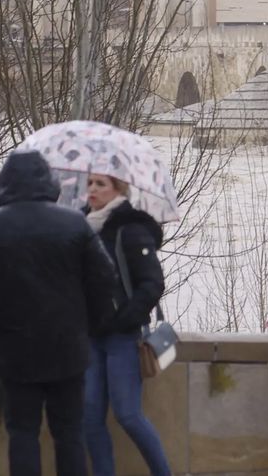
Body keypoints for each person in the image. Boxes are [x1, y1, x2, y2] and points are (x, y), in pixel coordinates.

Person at [0, 151, 117, 476]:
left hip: (14, 350)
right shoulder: (74, 223)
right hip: (68, 349)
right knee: (69, 434)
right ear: (49, 183)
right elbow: (105, 279)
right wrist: (86, 327)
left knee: (23, 434)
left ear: (3, 184)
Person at [80, 173, 172, 476]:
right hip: (90, 336)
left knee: (128, 415)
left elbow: (152, 283)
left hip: (123, 338)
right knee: (90, 418)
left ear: (118, 190)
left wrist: (124, 318)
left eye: (100, 184)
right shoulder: (80, 228)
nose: (92, 189)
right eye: (89, 183)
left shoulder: (130, 229)